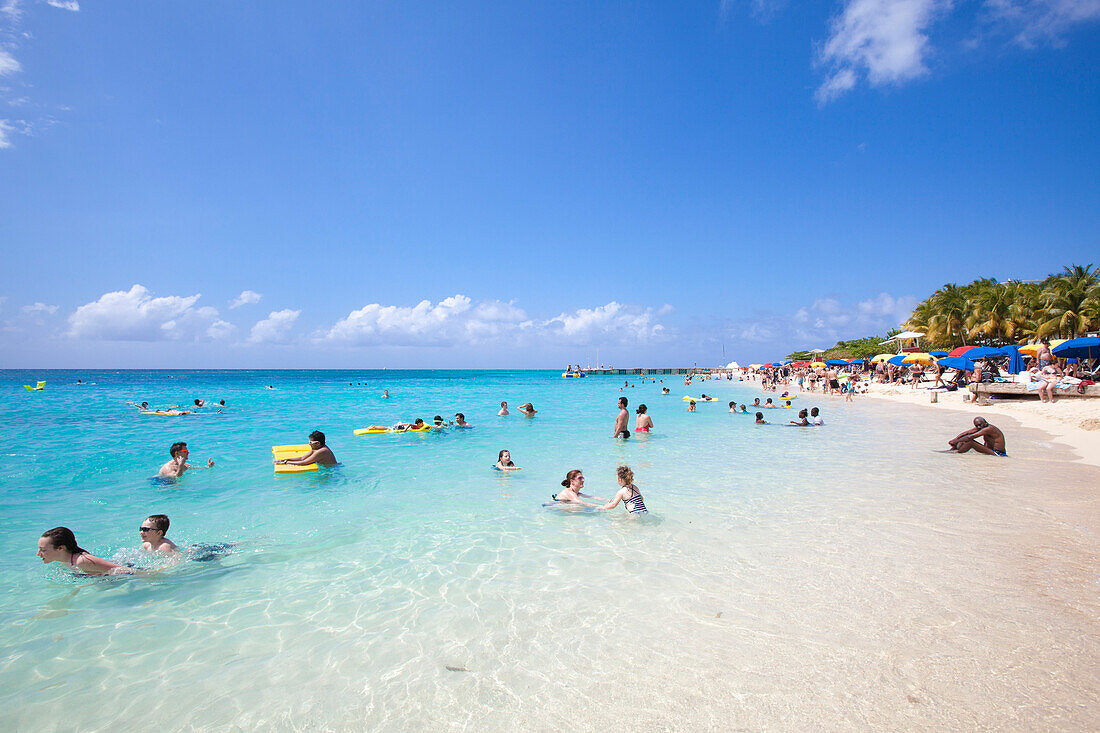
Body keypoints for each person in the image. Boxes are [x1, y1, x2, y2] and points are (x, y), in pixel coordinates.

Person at [37, 527, 132, 576]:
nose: (38, 554)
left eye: (43, 550)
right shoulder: (63, 561)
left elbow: (122, 570)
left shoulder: (82, 561)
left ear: (61, 548)